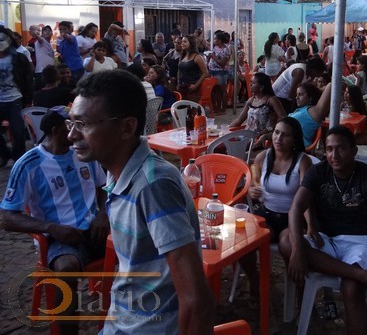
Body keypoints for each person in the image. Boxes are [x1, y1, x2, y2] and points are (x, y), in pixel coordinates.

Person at [68, 70, 215, 333]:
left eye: (83, 124)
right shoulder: (118, 173)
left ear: (127, 127)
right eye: (72, 123)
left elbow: (197, 301)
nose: (72, 135)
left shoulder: (153, 185)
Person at [279, 126, 367, 335]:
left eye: (341, 149)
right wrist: (298, 250)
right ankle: (366, 277)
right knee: (286, 240)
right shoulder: (318, 172)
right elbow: (295, 209)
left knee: (351, 288)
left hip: (360, 242)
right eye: (329, 149)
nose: (334, 155)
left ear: (354, 151)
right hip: (326, 240)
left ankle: (363, 276)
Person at [0, 106, 107, 335]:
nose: (79, 131)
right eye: (72, 126)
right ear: (57, 131)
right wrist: (52, 228)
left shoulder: (84, 153)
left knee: (140, 240)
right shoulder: (29, 164)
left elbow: (104, 187)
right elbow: (8, 218)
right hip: (58, 238)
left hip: (94, 230)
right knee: (66, 269)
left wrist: (102, 214)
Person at [238, 117, 313, 295]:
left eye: (285, 135)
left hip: (292, 218)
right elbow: (254, 181)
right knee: (242, 243)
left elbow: (307, 198)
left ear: (294, 139)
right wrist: (252, 190)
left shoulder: (303, 161)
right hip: (267, 214)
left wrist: (310, 225)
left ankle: (299, 292)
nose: (279, 138)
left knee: (290, 247)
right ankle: (255, 278)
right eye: (277, 133)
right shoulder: (263, 157)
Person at [0, 27, 33, 167]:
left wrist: (28, 100)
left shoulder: (19, 57)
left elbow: (28, 79)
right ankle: (4, 154)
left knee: (18, 132)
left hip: (15, 98)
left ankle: (19, 159)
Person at [230, 72, 287, 147]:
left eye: (253, 83)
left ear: (261, 87)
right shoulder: (251, 101)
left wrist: (269, 130)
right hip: (246, 137)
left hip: (261, 139)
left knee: (233, 148)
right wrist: (226, 130)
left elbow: (284, 119)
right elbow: (239, 120)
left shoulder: (271, 100)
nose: (250, 84)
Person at [289, 82, 332, 148]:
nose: (296, 97)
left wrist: (320, 89)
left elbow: (331, 85)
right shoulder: (300, 110)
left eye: (300, 94)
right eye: (296, 94)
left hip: (295, 147)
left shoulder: (315, 112)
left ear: (310, 97)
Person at [177, 35, 208, 102]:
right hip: (182, 86)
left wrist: (196, 85)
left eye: (185, 42)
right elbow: (179, 71)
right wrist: (178, 83)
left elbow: (205, 73)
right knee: (182, 107)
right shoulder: (182, 56)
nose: (182, 44)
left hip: (192, 86)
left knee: (191, 106)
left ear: (191, 43)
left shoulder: (197, 57)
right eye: (182, 42)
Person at [206, 31, 231, 114]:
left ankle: (223, 108)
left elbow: (222, 63)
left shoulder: (225, 50)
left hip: (221, 72)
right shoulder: (215, 47)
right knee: (216, 90)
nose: (214, 40)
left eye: (215, 39)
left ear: (220, 40)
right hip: (213, 71)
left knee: (222, 90)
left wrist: (213, 57)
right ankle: (217, 107)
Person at [31, 24, 55, 91]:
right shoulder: (41, 41)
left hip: (50, 72)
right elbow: (40, 39)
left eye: (49, 30)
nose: (47, 32)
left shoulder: (49, 44)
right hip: (41, 72)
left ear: (52, 33)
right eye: (45, 30)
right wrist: (37, 35)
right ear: (42, 33)